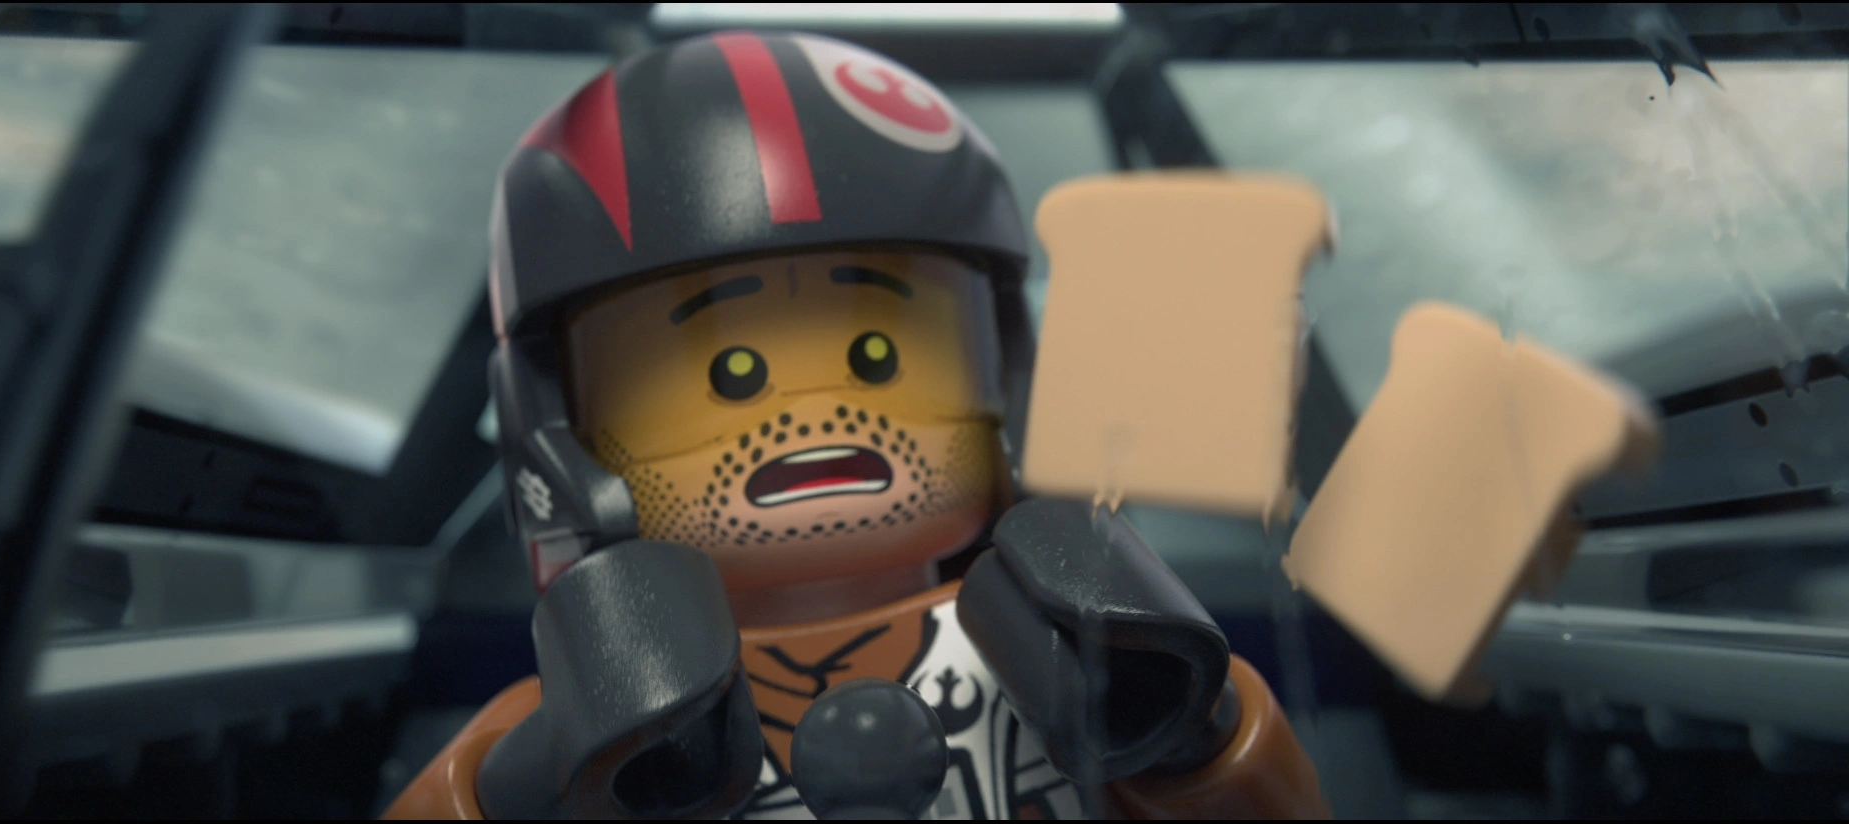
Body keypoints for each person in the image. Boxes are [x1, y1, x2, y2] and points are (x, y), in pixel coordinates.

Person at [384, 30, 1327, 820]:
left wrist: (1191, 732)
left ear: (1009, 379)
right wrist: (539, 779)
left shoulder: (1072, 661)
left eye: (879, 357)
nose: (816, 417)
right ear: (554, 426)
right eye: (730, 374)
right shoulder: (589, 725)